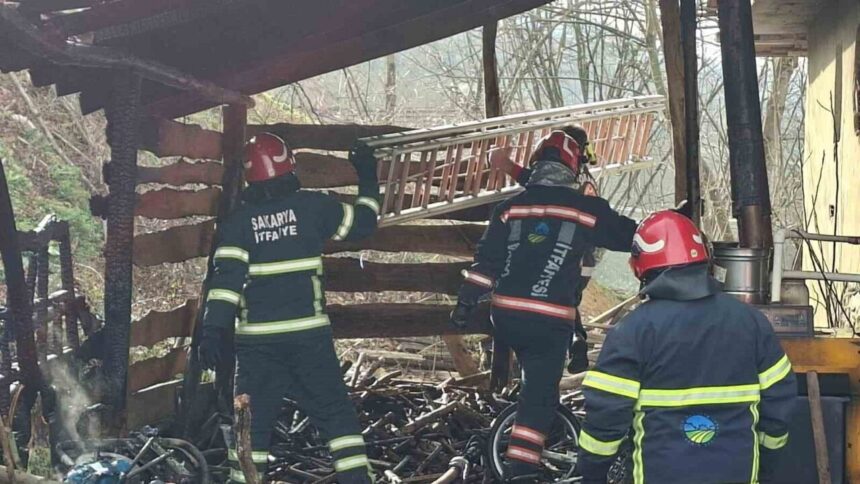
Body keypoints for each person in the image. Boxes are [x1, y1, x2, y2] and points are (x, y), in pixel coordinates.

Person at [451, 130, 638, 481]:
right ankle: (520, 469)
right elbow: (629, 236)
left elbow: (486, 261)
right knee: (539, 398)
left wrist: (465, 302)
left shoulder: (511, 208)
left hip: (505, 316)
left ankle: (527, 427)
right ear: (575, 166)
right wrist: (671, 226)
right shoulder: (587, 209)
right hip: (549, 320)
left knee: (535, 384)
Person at [198, 133, 379, 484]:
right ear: (289, 164)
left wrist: (212, 331)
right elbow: (364, 223)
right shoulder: (314, 208)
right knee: (337, 418)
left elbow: (225, 285)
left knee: (253, 426)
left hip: (257, 347)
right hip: (309, 337)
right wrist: (368, 175)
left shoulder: (237, 225)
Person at [577, 211, 796, 484]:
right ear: (704, 258)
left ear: (639, 265)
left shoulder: (633, 331)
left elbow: (605, 419)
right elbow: (779, 406)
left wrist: (592, 474)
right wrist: (766, 464)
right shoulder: (752, 322)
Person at [489, 125, 600, 374]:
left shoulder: (570, 184)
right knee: (564, 297)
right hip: (583, 256)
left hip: (574, 255)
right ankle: (575, 340)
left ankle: (571, 342)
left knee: (558, 296)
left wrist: (503, 163)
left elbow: (535, 182)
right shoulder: (580, 180)